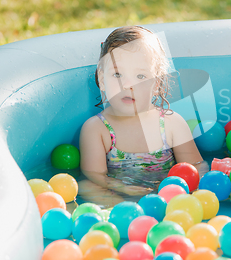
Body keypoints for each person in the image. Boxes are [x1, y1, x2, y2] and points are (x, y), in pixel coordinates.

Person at [79, 26, 207, 206]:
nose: (127, 84)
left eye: (140, 75)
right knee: (86, 186)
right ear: (102, 79)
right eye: (117, 74)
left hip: (167, 196)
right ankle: (124, 212)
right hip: (119, 196)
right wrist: (123, 188)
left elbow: (196, 165)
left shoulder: (171, 123)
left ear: (156, 84)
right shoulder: (97, 128)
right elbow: (94, 175)